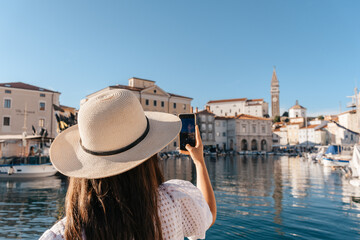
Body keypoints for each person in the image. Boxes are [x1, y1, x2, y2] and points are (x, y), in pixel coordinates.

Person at [40, 89, 216, 240]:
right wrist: (199, 162)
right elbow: (208, 213)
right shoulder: (174, 201)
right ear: (149, 155)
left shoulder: (64, 234)